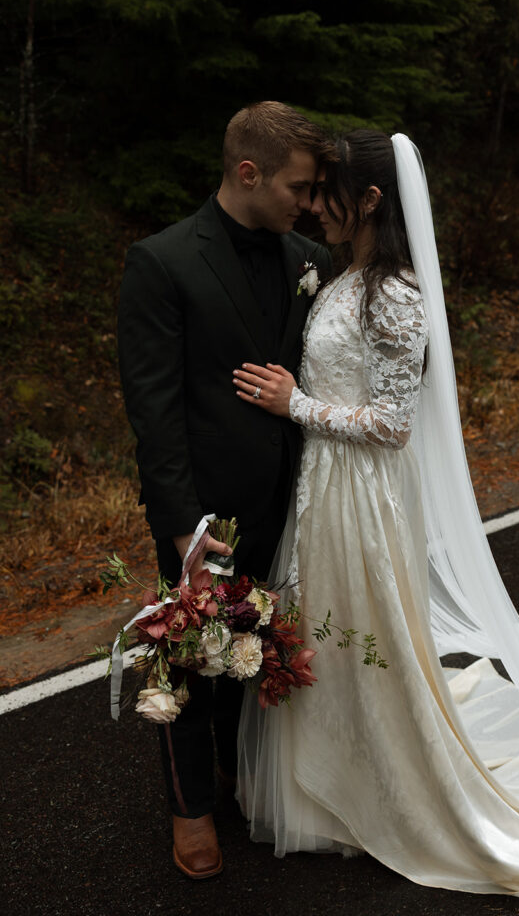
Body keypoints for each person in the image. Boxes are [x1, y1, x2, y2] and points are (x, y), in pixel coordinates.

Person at [231, 130, 519, 900]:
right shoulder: (345, 277)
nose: (311, 207)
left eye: (325, 194)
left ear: (370, 200)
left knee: (359, 630)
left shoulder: (397, 294)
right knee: (328, 634)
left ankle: (393, 787)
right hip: (324, 485)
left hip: (361, 494)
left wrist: (293, 403)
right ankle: (330, 782)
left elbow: (391, 424)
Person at [117, 101, 334, 879]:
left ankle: (243, 777)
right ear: (248, 173)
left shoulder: (308, 258)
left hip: (295, 499)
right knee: (189, 660)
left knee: (264, 648)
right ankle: (190, 809)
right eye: (299, 188)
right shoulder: (162, 262)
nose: (309, 205)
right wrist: (182, 527)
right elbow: (155, 410)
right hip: (205, 510)